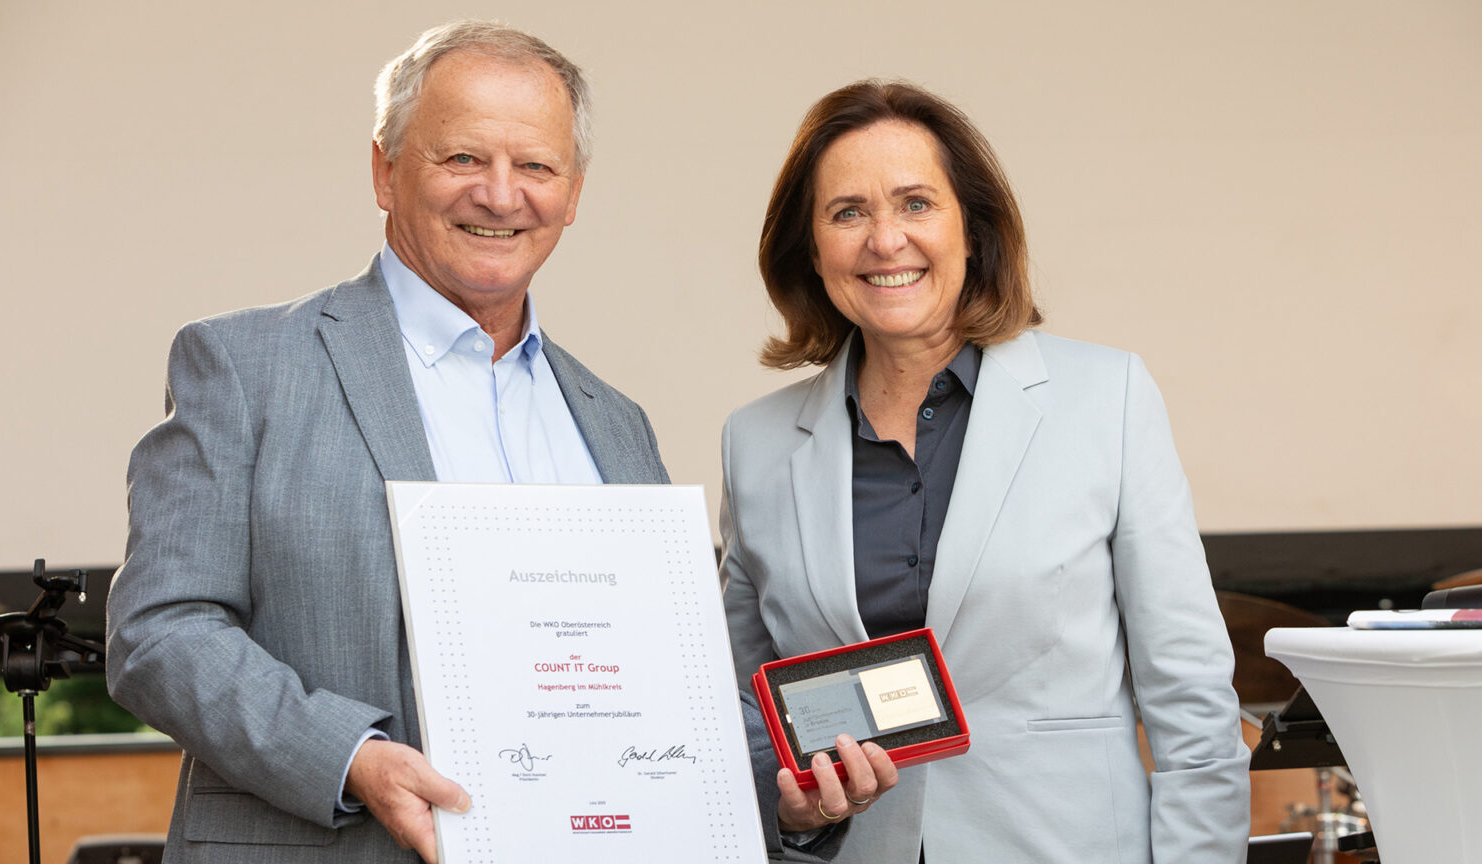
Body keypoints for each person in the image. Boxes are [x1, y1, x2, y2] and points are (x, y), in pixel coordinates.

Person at [106, 21, 892, 864]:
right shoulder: (246, 366)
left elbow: (669, 694)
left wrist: (787, 803)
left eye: (536, 167)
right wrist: (351, 759)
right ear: (384, 170)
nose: (501, 195)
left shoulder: (616, 423)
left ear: (574, 192)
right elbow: (160, 629)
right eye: (462, 159)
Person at [719, 79, 1251, 863]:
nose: (885, 240)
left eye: (915, 204)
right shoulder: (755, 442)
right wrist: (789, 810)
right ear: (812, 248)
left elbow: (1190, 693)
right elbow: (738, 710)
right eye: (847, 212)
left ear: (974, 230)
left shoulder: (1108, 398)